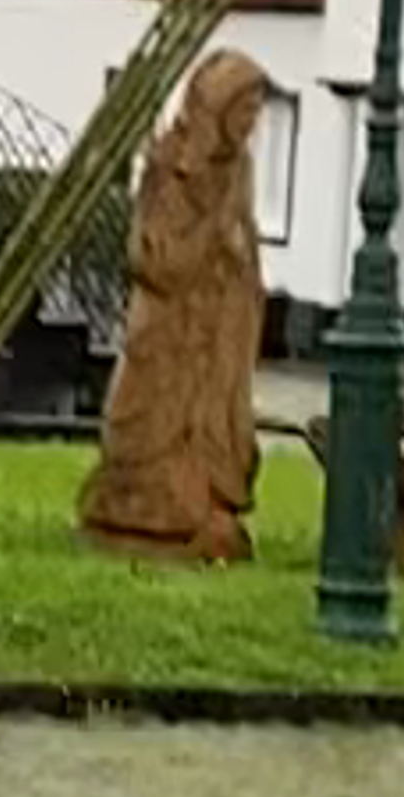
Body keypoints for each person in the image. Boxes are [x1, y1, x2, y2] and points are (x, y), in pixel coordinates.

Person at [78, 50, 269, 562]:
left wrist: (241, 270)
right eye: (242, 110)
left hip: (217, 327)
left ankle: (208, 504)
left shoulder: (240, 168)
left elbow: (243, 241)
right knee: (153, 424)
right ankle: (144, 513)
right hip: (169, 329)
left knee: (215, 425)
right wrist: (213, 232)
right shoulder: (169, 168)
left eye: (256, 112)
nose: (250, 124)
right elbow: (155, 261)